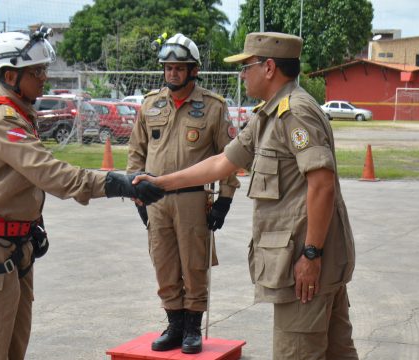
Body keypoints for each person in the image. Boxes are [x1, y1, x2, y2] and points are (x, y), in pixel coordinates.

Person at [135, 32, 358, 359]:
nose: (242, 74)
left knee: (297, 353)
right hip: (309, 260)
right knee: (337, 352)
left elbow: (322, 184)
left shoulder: (294, 112)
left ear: (269, 68)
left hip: (306, 263)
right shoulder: (268, 115)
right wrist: (161, 183)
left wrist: (312, 254)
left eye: (247, 66)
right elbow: (222, 162)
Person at [0, 29, 164, 360]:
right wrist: (116, 183)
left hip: (11, 245)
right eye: (36, 72)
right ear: (11, 75)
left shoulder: (18, 113)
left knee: (12, 344)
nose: (44, 78)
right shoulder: (0, 121)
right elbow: (51, 173)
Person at [126, 33, 240, 354]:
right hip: (156, 200)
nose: (172, 73)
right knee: (163, 263)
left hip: (194, 198)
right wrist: (136, 192)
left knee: (194, 264)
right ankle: (174, 324)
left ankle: (193, 328)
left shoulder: (213, 108)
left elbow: (229, 155)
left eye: (180, 68)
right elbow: (136, 152)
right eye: (168, 68)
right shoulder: (150, 105)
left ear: (193, 71)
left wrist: (225, 199)